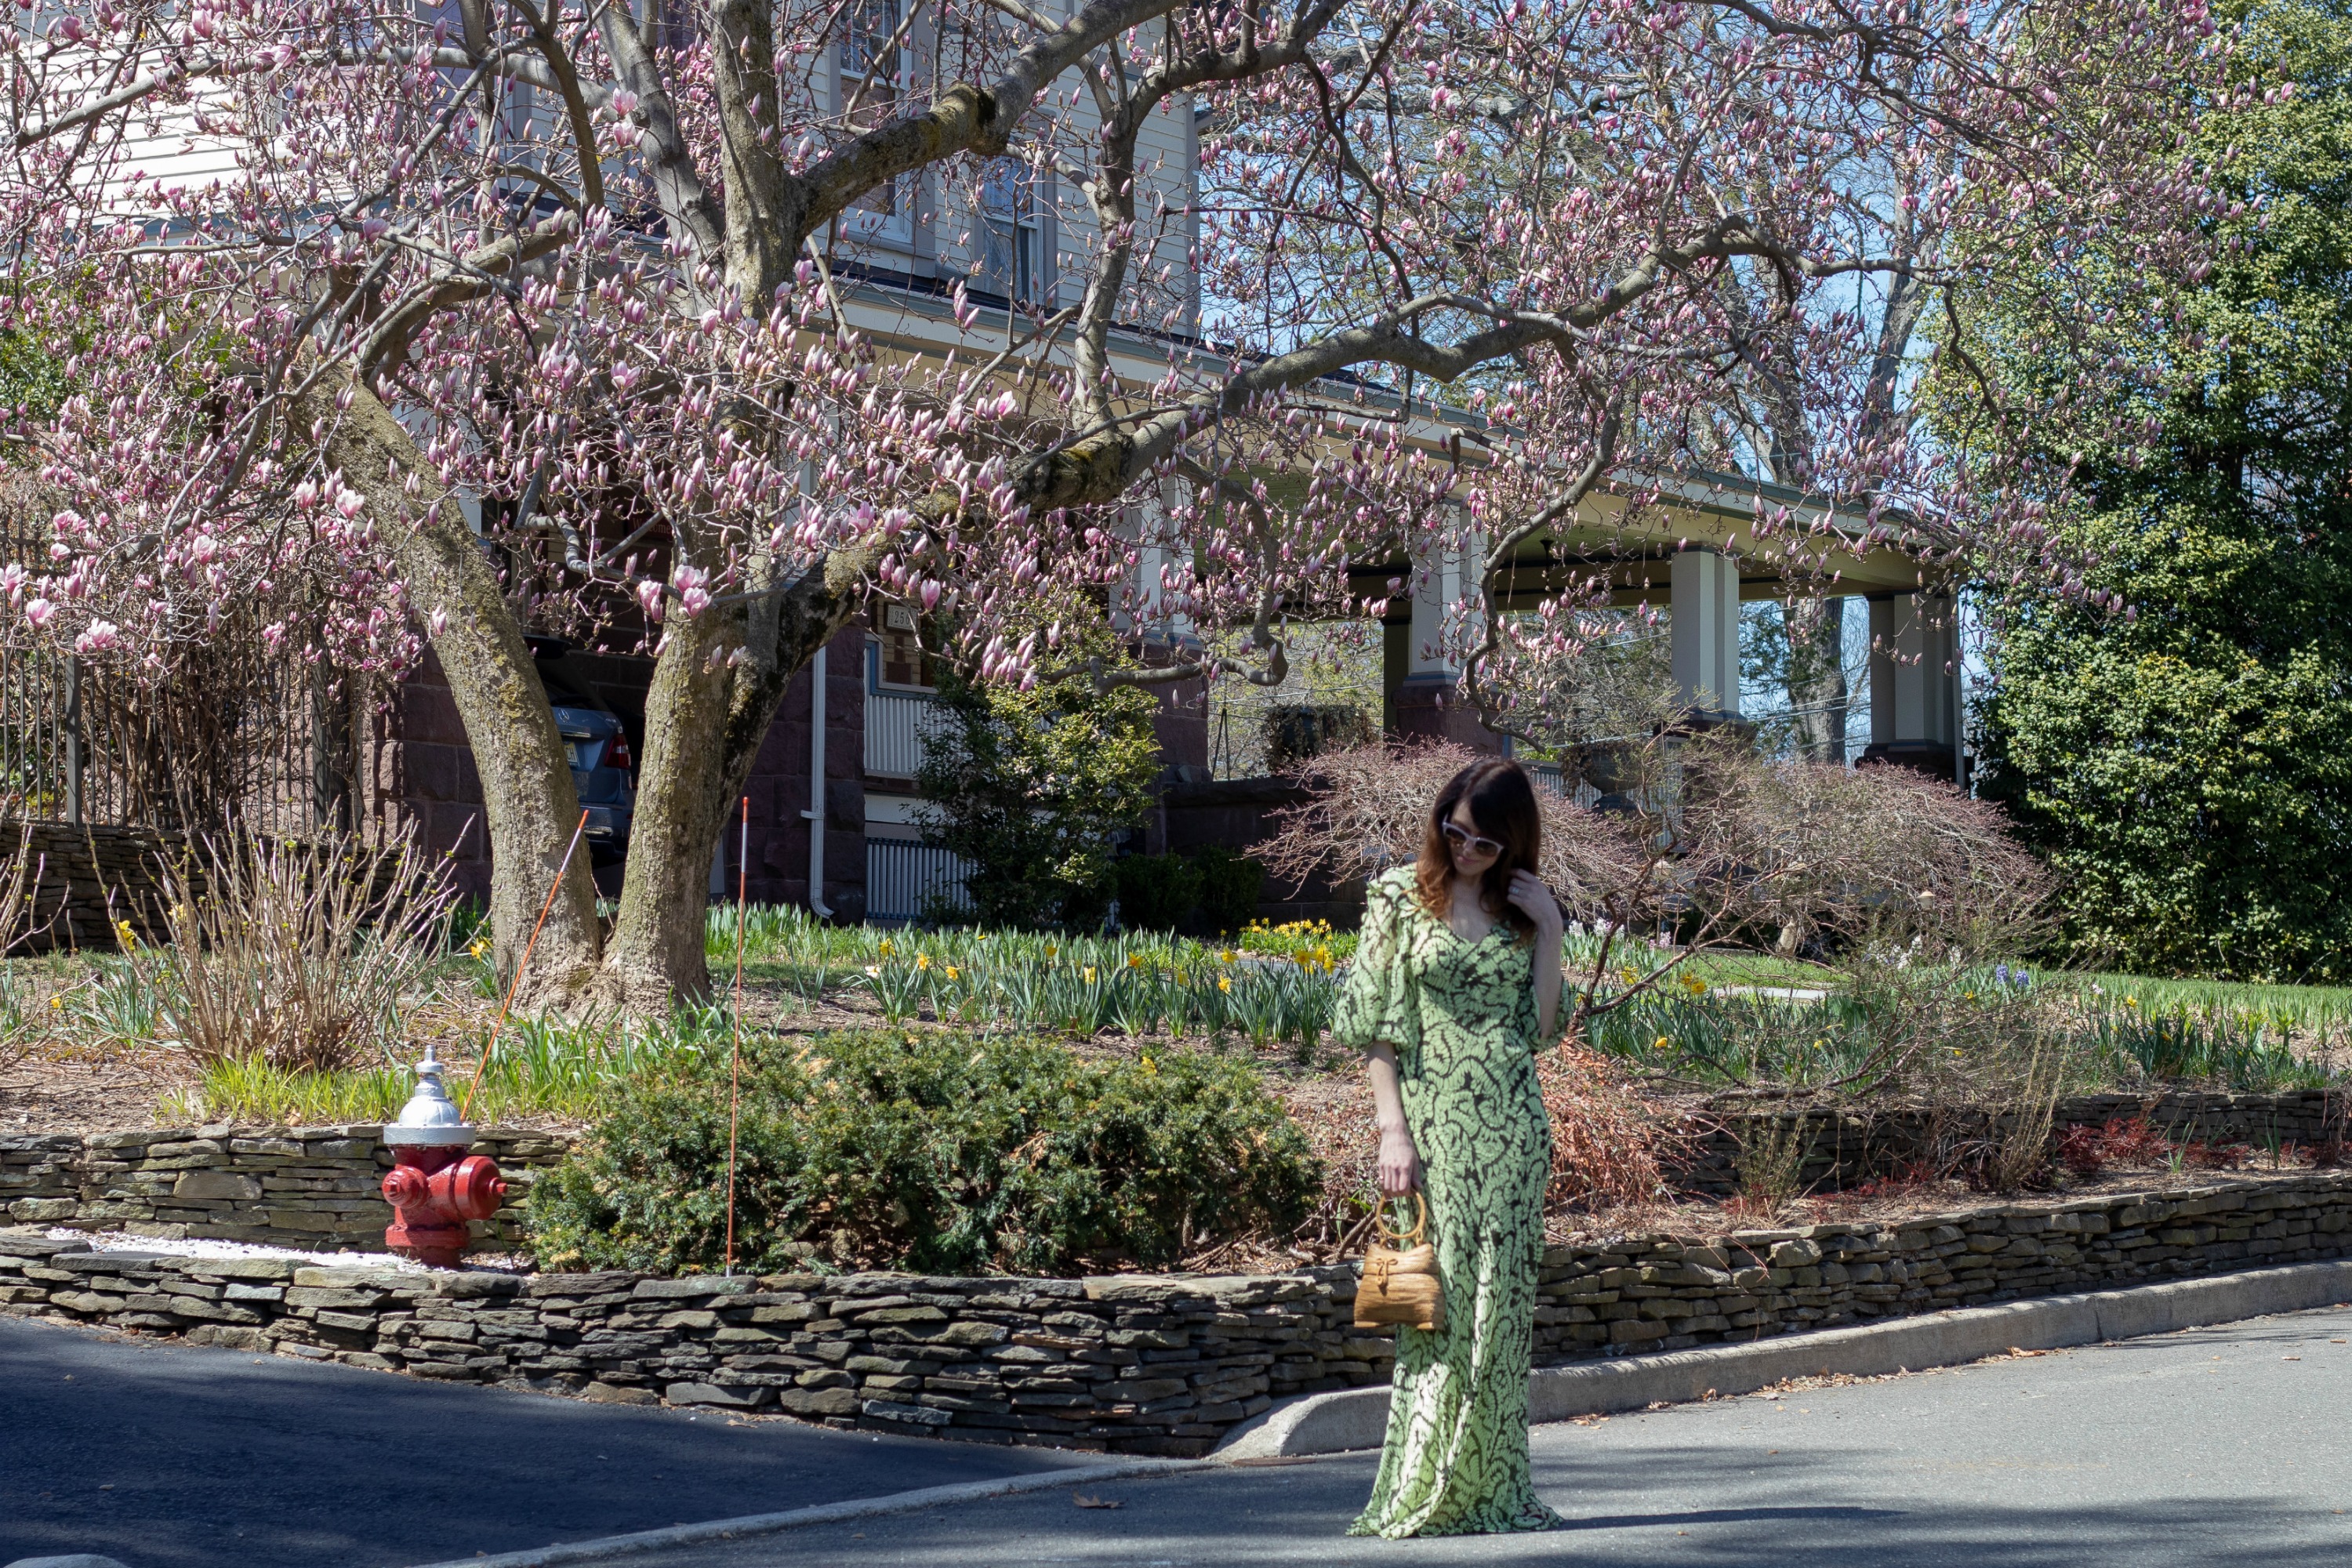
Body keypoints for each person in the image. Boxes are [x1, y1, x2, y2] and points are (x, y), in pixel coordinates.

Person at [1334, 756, 1565, 1537]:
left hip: (1513, 1129)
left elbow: (1539, 1028)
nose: (1466, 851)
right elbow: (1374, 1022)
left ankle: (1489, 1487)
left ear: (1512, 845)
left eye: (1485, 844)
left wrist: (1553, 931)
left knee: (1502, 1315)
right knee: (1440, 1309)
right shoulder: (1399, 895)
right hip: (1433, 1130)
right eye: (1455, 831)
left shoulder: (1521, 909)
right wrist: (1389, 1129)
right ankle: (1425, 1484)